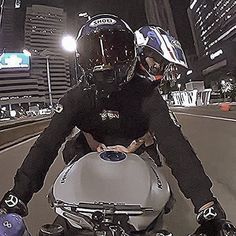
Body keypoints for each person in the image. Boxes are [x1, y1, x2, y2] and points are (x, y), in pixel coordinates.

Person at [0, 14, 235, 235]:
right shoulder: (77, 97)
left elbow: (176, 146)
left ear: (133, 53)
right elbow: (47, 143)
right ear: (83, 61)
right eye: (96, 55)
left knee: (155, 199)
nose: (106, 64)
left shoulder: (148, 96)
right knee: (66, 204)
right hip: (85, 154)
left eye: (115, 52)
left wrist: (206, 205)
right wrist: (18, 195)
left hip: (136, 155)